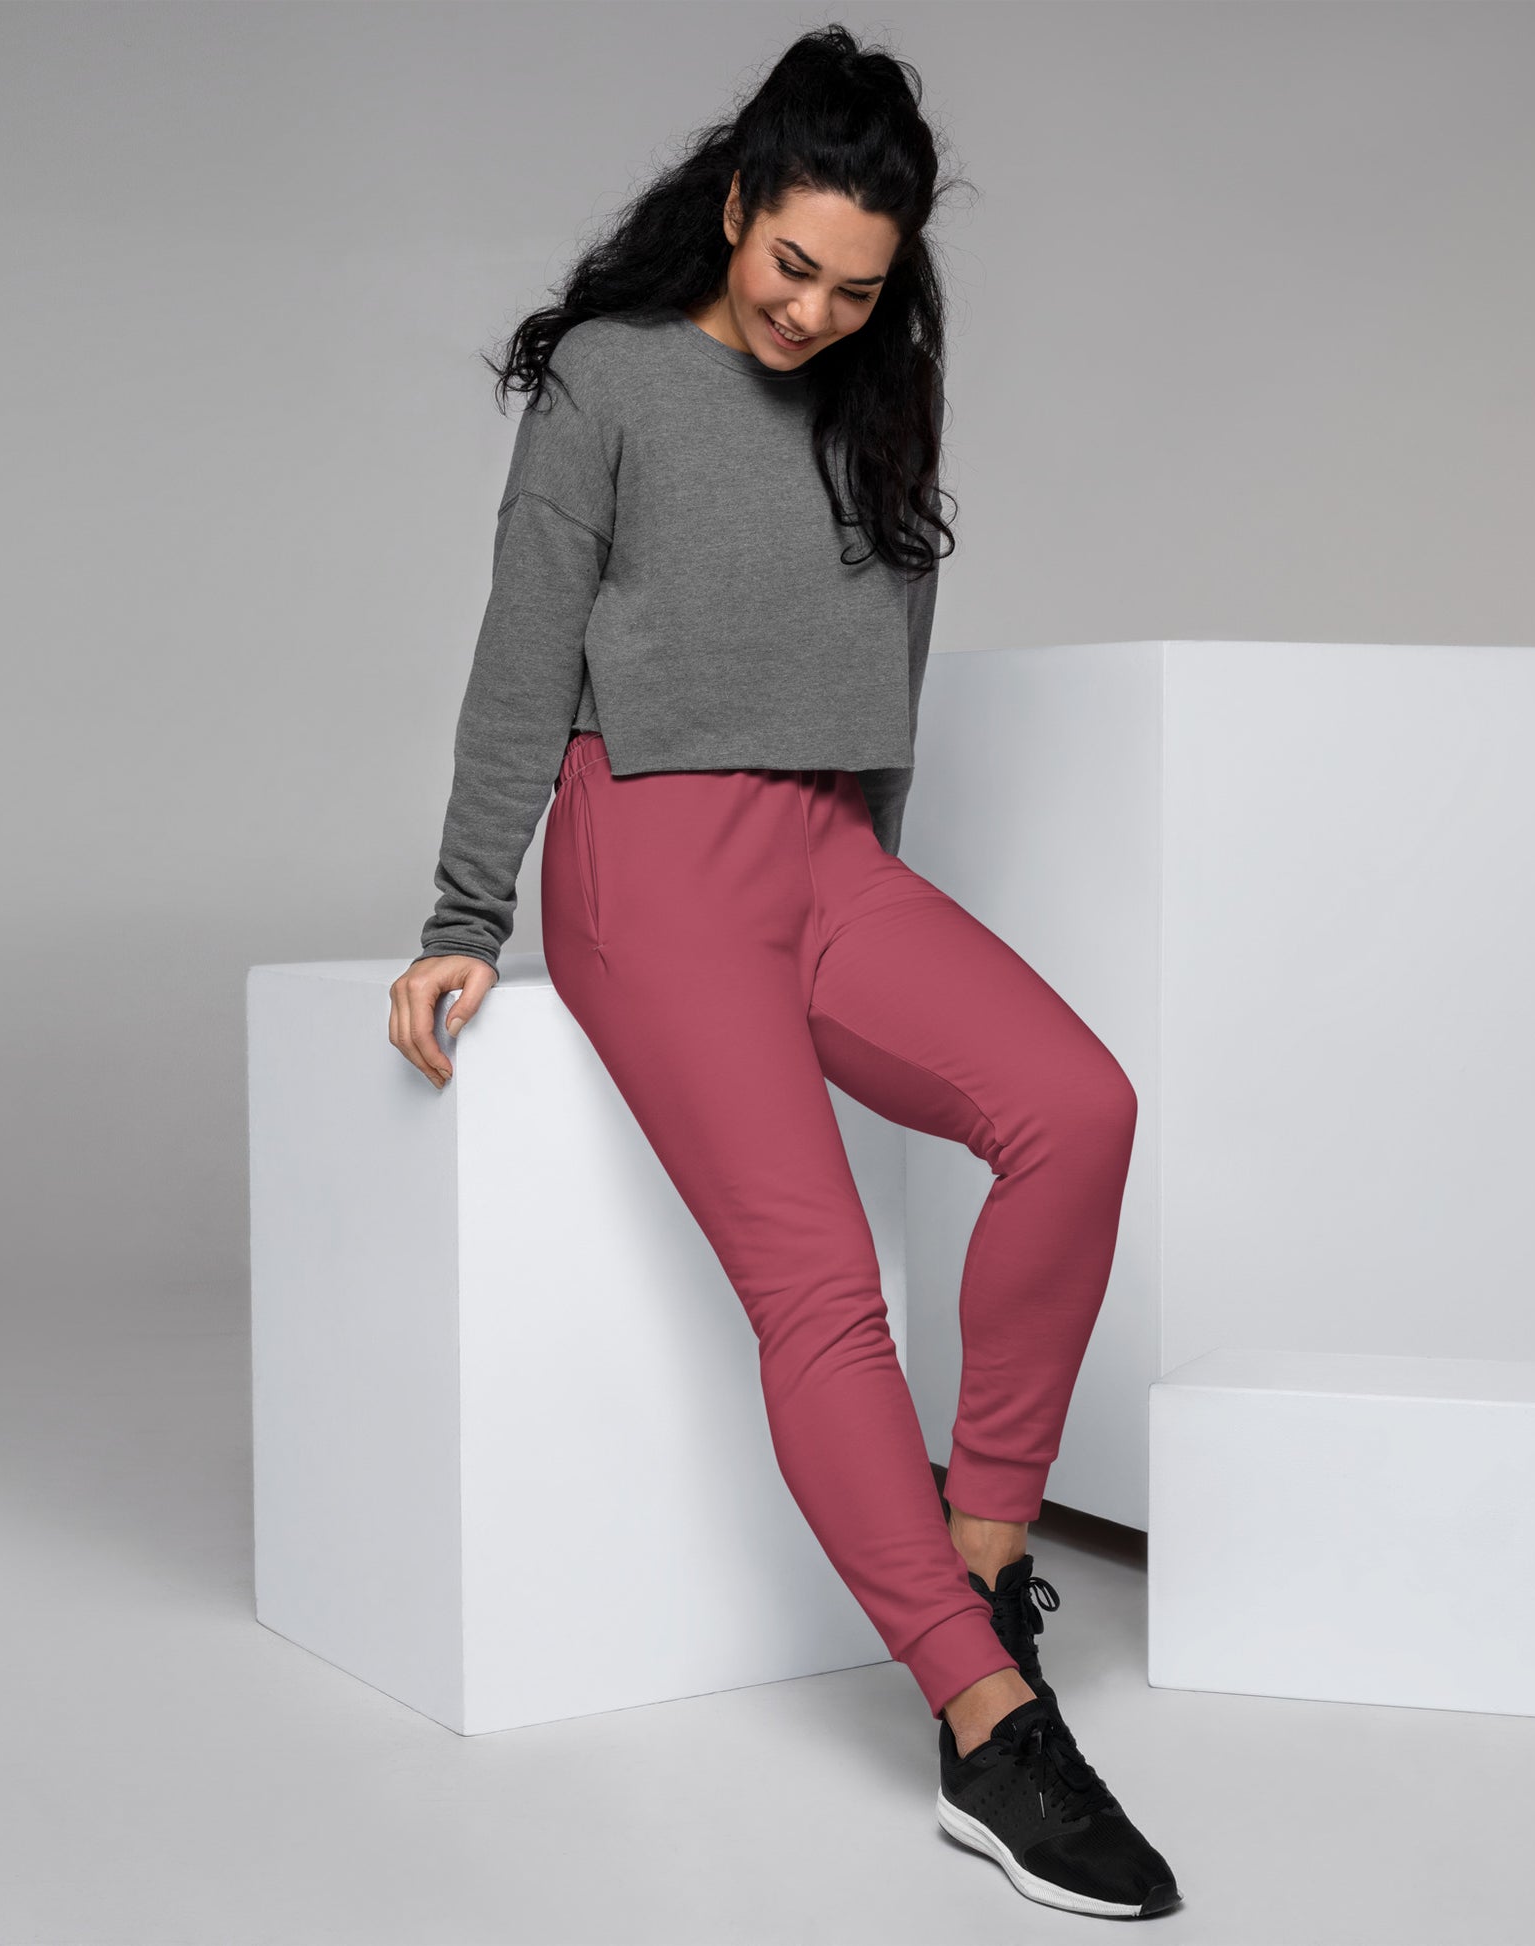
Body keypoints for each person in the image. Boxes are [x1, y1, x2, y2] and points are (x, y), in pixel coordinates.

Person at [388, 23, 1180, 1921]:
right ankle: (984, 1726)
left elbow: (884, 663)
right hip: (648, 864)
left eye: (856, 287)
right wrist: (463, 914)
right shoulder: (610, 377)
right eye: (792, 263)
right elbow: (523, 647)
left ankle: (981, 1548)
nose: (813, 310)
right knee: (822, 1290)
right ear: (737, 202)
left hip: (830, 858)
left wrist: (868, 890)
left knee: (1077, 1108)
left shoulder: (873, 399)